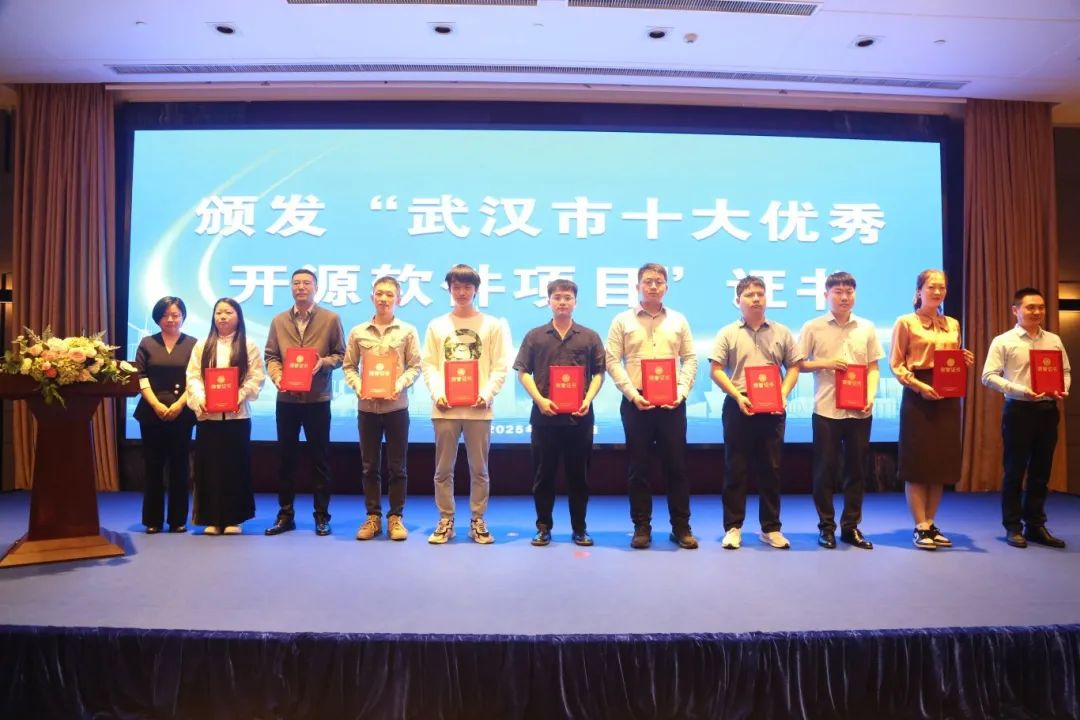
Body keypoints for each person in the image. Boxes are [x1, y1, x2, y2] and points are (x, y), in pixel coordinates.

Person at [606, 262, 699, 550]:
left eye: (659, 281)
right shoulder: (622, 320)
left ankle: (681, 527)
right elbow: (612, 360)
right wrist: (631, 393)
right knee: (639, 468)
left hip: (672, 403)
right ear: (638, 286)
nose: (654, 286)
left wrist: (681, 392)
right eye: (648, 281)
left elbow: (690, 358)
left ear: (666, 287)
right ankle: (641, 527)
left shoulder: (679, 320)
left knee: (677, 467)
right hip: (637, 403)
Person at [709, 275, 801, 550]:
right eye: (750, 295)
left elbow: (794, 366)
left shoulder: (782, 332)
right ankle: (733, 528)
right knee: (735, 468)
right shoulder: (727, 333)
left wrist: (782, 394)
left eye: (761, 293)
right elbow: (715, 369)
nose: (756, 299)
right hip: (739, 404)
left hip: (773, 407)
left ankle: (770, 528)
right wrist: (737, 396)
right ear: (738, 300)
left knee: (771, 469)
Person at [421, 264, 510, 544]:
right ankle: (445, 520)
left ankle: (477, 519)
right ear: (449, 290)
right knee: (442, 470)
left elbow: (500, 365)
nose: (461, 292)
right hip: (445, 408)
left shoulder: (492, 325)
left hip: (479, 410)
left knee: (479, 470)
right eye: (456, 287)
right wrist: (438, 393)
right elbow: (429, 364)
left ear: (476, 290)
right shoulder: (437, 325)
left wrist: (487, 393)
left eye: (467, 287)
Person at [514, 279, 605, 547]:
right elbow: (523, 372)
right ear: (549, 301)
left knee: (579, 478)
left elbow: (599, 373)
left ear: (575, 302)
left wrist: (587, 399)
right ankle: (543, 527)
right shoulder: (535, 336)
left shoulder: (589, 336)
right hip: (545, 418)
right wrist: (540, 400)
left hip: (580, 418)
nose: (562, 302)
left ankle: (580, 529)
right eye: (557, 297)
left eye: (567, 297)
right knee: (543, 476)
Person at [889, 269, 974, 551]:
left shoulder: (952, 324)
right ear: (919, 291)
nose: (937, 292)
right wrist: (918, 387)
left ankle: (931, 522)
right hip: (918, 394)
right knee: (918, 463)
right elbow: (896, 364)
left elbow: (951, 358)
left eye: (942, 287)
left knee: (939, 464)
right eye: (931, 287)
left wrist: (962, 358)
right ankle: (920, 526)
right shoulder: (906, 322)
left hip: (948, 395)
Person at [797, 272, 882, 550]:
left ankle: (851, 527)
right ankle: (826, 527)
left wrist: (870, 395)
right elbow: (798, 364)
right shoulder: (813, 326)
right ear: (826, 295)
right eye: (838, 292)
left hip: (859, 411)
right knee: (825, 471)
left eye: (849, 292)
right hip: (826, 409)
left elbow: (873, 367)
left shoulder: (867, 327)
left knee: (856, 471)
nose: (844, 297)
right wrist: (827, 363)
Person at [982, 287, 1071, 549]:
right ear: (1015, 310)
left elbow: (1065, 370)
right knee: (1014, 470)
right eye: (1030, 307)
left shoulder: (1053, 340)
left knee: (1041, 472)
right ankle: (1013, 526)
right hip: (1018, 410)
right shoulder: (1003, 341)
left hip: (1048, 410)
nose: (1037, 312)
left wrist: (1063, 388)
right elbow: (988, 376)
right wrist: (1019, 389)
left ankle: (1035, 525)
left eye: (1041, 307)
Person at [263, 268, 346, 537]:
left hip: (317, 399)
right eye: (296, 283)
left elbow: (341, 355)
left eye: (306, 283)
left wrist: (323, 363)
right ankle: (285, 515)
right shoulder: (278, 320)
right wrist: (277, 376)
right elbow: (271, 356)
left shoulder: (330, 318)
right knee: (285, 459)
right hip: (286, 399)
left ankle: (322, 516)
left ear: (316, 288)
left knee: (320, 459)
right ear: (291, 288)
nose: (301, 287)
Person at [342, 276, 422, 541]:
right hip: (367, 408)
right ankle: (373, 517)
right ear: (372, 297)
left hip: (397, 407)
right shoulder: (358, 331)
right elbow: (349, 366)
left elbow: (415, 366)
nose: (384, 299)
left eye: (389, 294)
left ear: (398, 299)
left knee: (398, 466)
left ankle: (396, 517)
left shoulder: (407, 331)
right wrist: (359, 386)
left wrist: (398, 384)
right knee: (369, 466)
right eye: (379, 293)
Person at [185, 298, 265, 535]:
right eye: (218, 312)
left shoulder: (248, 345)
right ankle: (211, 518)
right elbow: (193, 377)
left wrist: (238, 396)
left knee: (235, 466)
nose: (222, 317)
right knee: (209, 468)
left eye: (228, 312)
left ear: (238, 317)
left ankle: (234, 519)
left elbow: (255, 376)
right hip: (208, 417)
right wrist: (201, 399)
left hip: (237, 417)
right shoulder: (202, 345)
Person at [133, 296, 198, 534]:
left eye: (175, 315)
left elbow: (196, 379)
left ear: (183, 317)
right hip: (151, 414)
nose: (170, 319)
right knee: (154, 466)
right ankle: (153, 520)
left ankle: (177, 520)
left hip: (182, 413)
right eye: (165, 315)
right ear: (157, 318)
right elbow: (140, 377)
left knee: (180, 467)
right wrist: (156, 404)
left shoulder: (193, 344)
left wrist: (179, 405)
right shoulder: (147, 343)